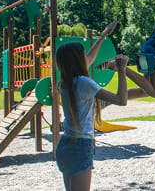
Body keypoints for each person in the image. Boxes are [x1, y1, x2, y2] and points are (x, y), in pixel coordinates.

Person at [54, 21, 129, 191]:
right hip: (80, 146)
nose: (86, 57)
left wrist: (104, 34)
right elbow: (121, 100)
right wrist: (122, 70)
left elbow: (90, 58)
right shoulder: (84, 83)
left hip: (65, 145)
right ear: (77, 60)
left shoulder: (65, 82)